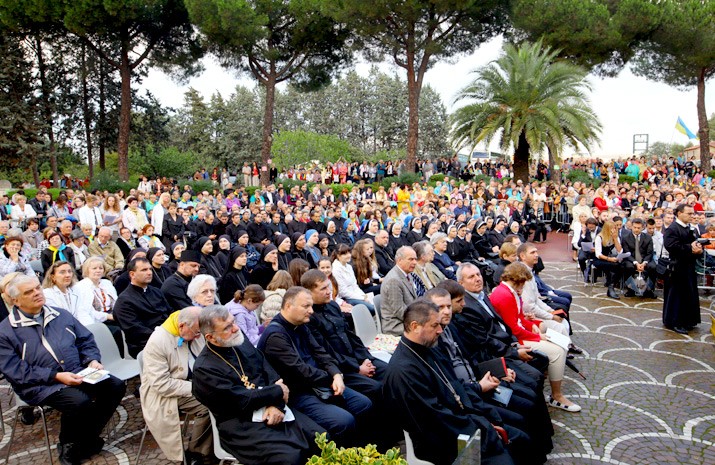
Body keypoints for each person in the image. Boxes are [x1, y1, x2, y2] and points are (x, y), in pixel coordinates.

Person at [0, 275, 125, 465]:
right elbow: (15, 371)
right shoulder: (6, 331)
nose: (36, 293)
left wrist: (92, 359)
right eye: (29, 292)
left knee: (115, 386)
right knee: (79, 401)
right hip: (40, 385)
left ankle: (86, 438)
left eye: (37, 288)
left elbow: (86, 340)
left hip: (77, 371)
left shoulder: (60, 314)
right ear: (15, 300)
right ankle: (68, 446)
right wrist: (56, 376)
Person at [382, 299, 517, 465]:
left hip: (460, 423)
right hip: (443, 442)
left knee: (519, 429)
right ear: (415, 326)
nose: (440, 330)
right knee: (509, 453)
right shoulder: (403, 372)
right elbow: (434, 419)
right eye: (434, 325)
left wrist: (484, 419)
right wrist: (483, 429)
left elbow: (455, 387)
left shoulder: (429, 348)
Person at [192, 304, 324, 465]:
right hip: (241, 423)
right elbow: (238, 400)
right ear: (210, 338)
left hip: (273, 404)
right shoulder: (204, 369)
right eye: (227, 327)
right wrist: (276, 391)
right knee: (289, 458)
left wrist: (275, 403)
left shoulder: (238, 339)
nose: (235, 328)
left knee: (320, 437)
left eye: (233, 322)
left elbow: (265, 365)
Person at [257, 286, 372, 445]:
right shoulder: (276, 336)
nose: (311, 311)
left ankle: (365, 450)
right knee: (343, 421)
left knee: (363, 404)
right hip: (298, 393)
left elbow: (321, 352)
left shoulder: (300, 324)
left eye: (311, 306)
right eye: (306, 306)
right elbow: (301, 371)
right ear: (289, 306)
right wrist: (331, 378)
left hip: (317, 384)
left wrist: (337, 374)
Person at [489, 262, 580, 412]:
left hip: (518, 334)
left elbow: (519, 319)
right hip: (514, 340)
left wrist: (534, 324)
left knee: (555, 339)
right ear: (518, 280)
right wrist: (538, 337)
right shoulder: (505, 295)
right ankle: (557, 396)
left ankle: (549, 388)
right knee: (557, 351)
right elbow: (513, 329)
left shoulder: (510, 292)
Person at [140, 307, 213, 464]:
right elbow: (161, 384)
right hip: (164, 394)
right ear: (181, 326)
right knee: (209, 406)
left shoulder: (193, 330)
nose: (199, 337)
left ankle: (213, 445)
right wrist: (198, 388)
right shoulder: (157, 342)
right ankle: (197, 453)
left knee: (221, 398)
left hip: (190, 383)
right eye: (196, 333)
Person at [301, 269, 387, 402]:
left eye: (328, 286)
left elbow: (351, 336)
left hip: (357, 358)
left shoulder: (333, 306)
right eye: (323, 289)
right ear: (309, 292)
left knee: (391, 371)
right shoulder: (309, 318)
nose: (329, 291)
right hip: (342, 367)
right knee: (375, 388)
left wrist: (365, 358)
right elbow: (327, 352)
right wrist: (357, 368)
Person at [114, 257, 173, 358]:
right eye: (144, 270)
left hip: (168, 336)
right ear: (132, 274)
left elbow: (170, 313)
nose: (149, 272)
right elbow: (135, 330)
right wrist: (166, 336)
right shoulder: (124, 301)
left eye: (150, 269)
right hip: (145, 344)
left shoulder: (156, 291)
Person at [662, 203, 702, 334]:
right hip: (677, 266)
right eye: (689, 214)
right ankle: (675, 322)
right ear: (679, 213)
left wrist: (698, 249)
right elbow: (672, 246)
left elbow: (693, 243)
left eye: (692, 213)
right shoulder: (672, 229)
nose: (692, 216)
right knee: (677, 295)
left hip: (688, 265)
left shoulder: (689, 228)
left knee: (688, 293)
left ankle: (688, 320)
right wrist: (690, 248)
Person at [42, 261, 99, 327]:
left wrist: (90, 329)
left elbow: (82, 312)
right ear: (53, 277)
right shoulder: (47, 294)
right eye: (62, 272)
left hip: (79, 328)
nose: (68, 275)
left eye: (69, 271)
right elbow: (59, 318)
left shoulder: (76, 290)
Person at [381, 246, 423, 335]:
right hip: (395, 325)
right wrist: (421, 320)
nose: (415, 262)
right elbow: (399, 311)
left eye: (415, 259)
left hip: (408, 319)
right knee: (428, 329)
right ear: (399, 260)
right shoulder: (393, 280)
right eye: (411, 259)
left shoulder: (408, 273)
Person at [332, 244, 375, 313]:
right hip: (346, 298)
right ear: (338, 255)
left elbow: (355, 285)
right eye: (345, 254)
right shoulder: (335, 269)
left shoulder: (348, 266)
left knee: (374, 304)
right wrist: (361, 298)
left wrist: (364, 296)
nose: (349, 255)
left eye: (349, 253)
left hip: (355, 294)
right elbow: (343, 292)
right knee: (371, 308)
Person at [620, 218, 656, 298]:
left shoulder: (648, 237)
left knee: (653, 267)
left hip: (645, 259)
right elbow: (627, 253)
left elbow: (650, 253)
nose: (636, 229)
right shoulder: (625, 237)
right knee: (628, 266)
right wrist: (636, 263)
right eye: (635, 227)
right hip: (631, 259)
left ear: (643, 228)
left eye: (638, 228)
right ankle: (631, 289)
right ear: (631, 227)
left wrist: (644, 263)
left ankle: (649, 290)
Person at [593, 220, 624, 299]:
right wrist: (609, 259)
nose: (613, 230)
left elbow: (620, 251)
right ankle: (611, 287)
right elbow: (598, 254)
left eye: (614, 228)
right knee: (614, 266)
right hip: (600, 259)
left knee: (621, 265)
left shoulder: (615, 237)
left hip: (611, 258)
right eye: (612, 229)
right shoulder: (599, 237)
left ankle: (611, 286)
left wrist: (615, 239)